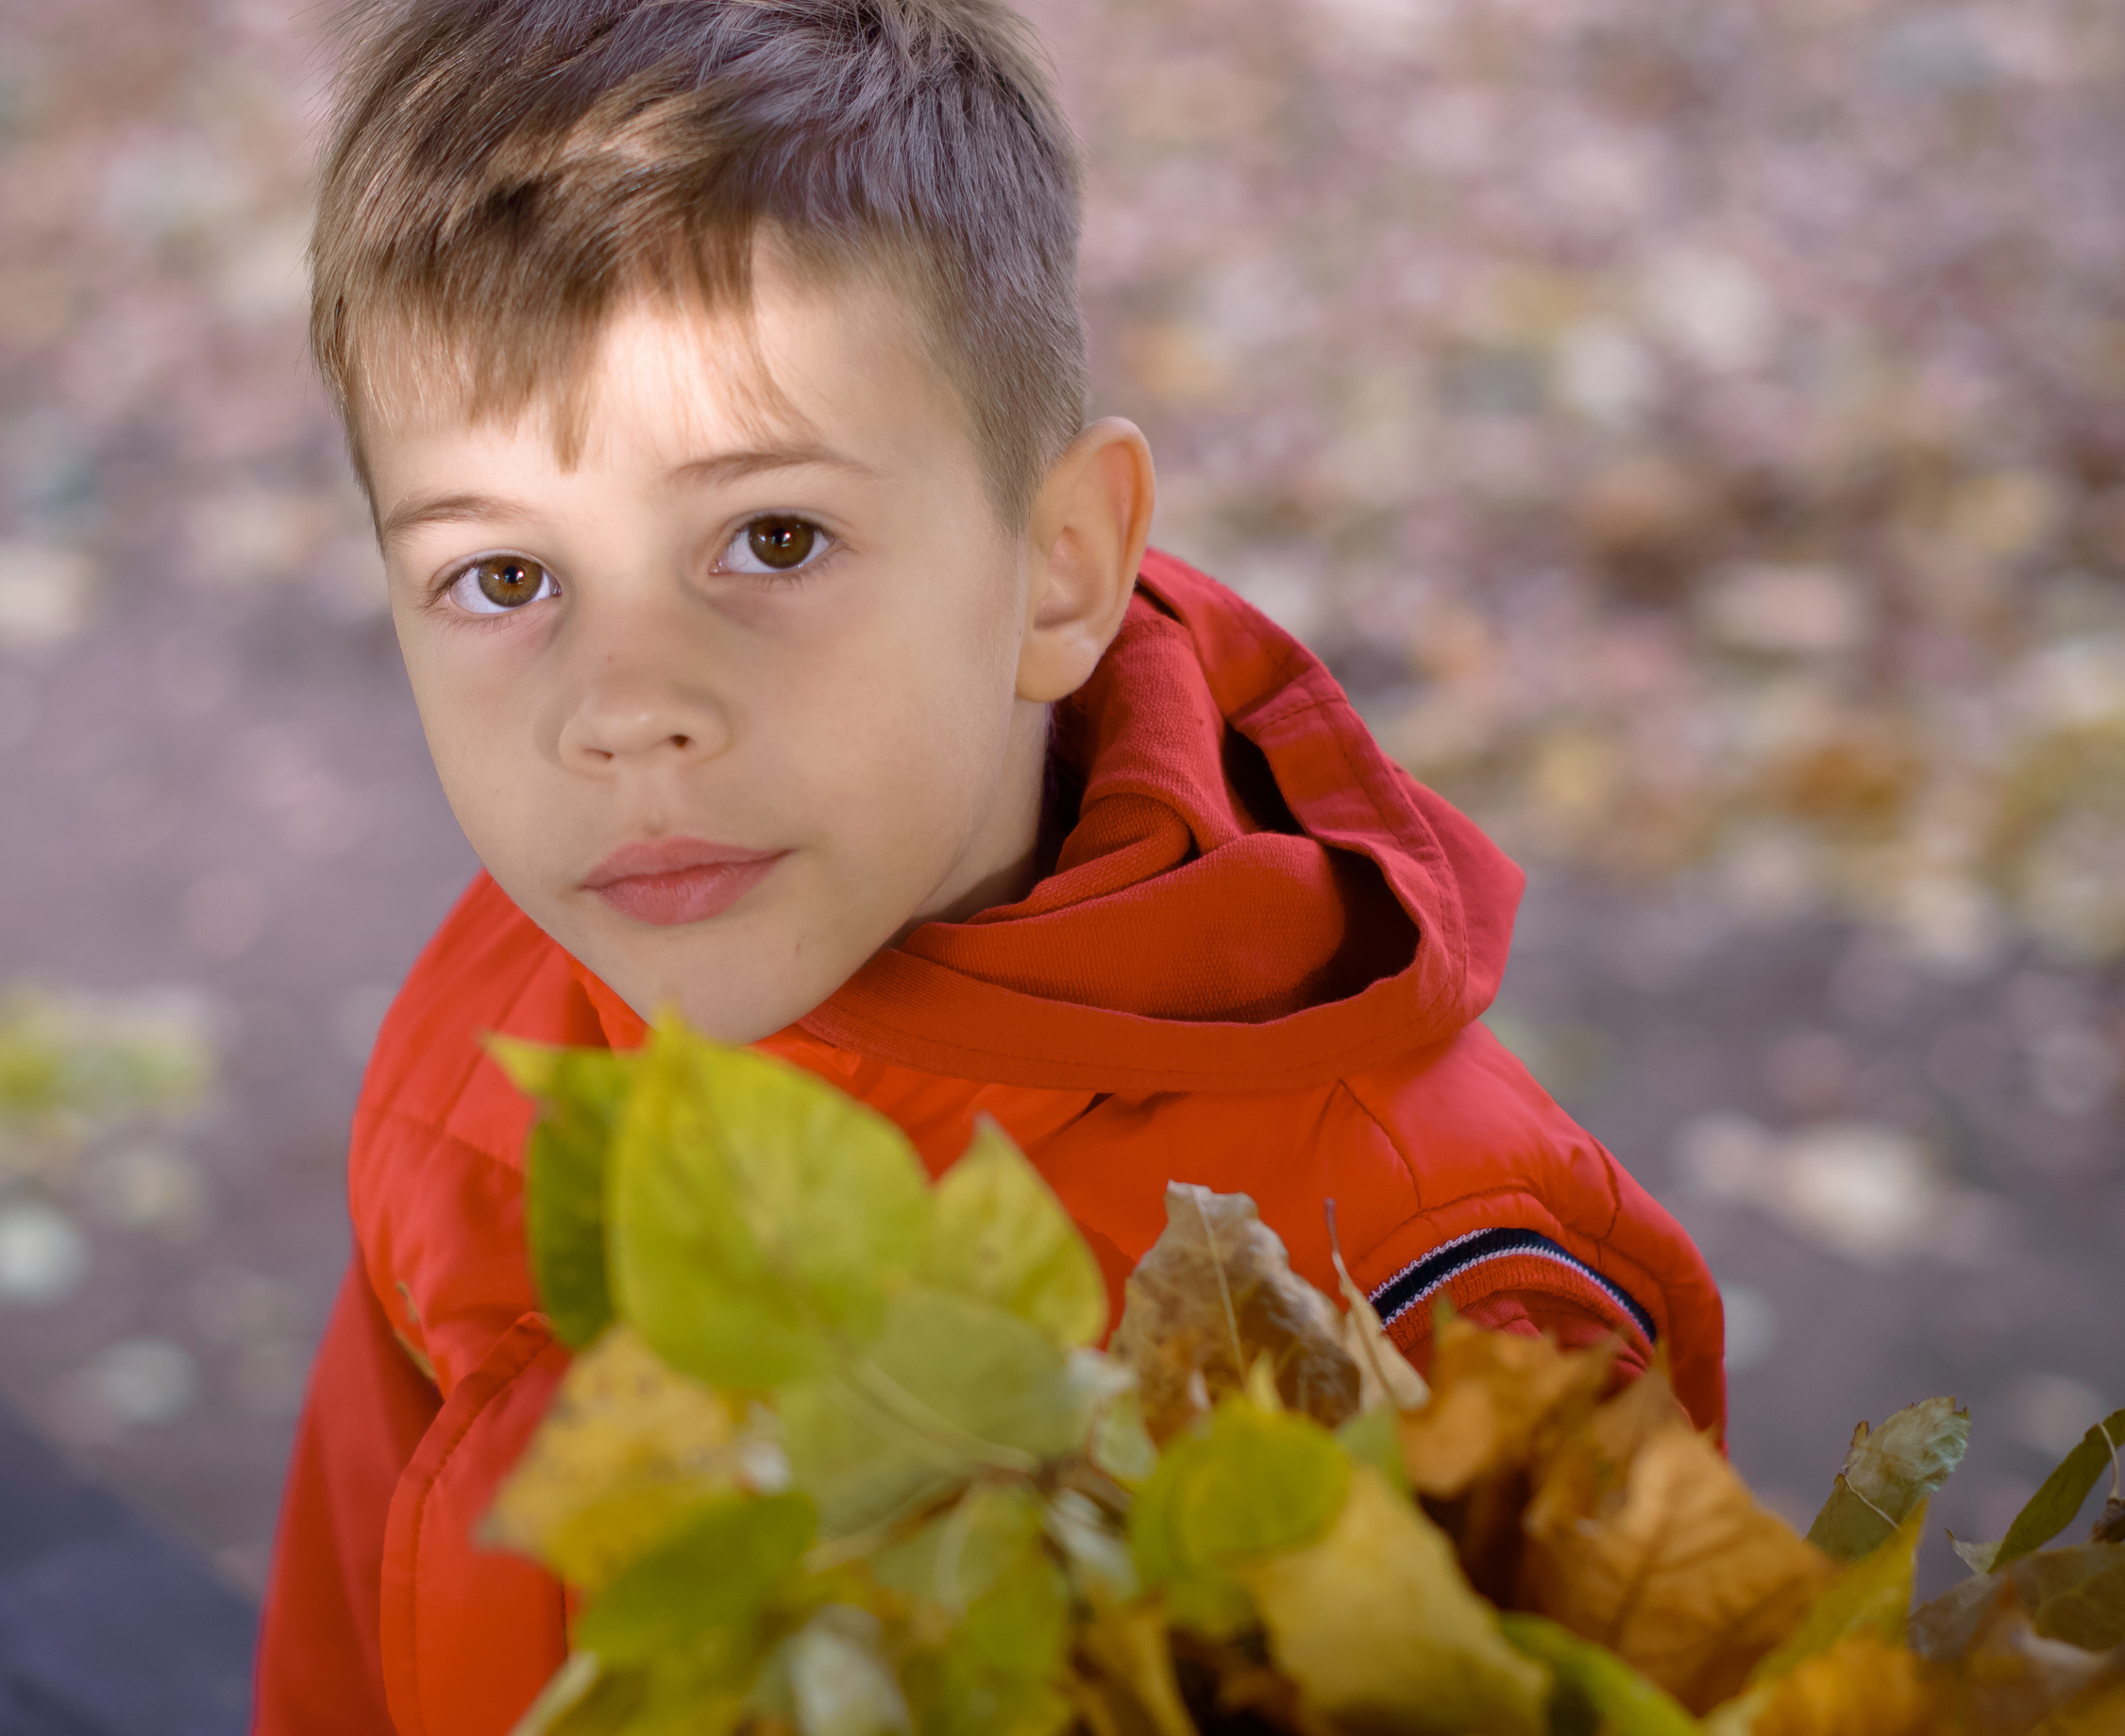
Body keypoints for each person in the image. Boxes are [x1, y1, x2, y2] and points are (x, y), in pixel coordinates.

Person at [255, 1, 1726, 1729]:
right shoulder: (500, 1018)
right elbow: (354, 1635)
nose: (625, 711)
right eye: (504, 579)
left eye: (771, 538)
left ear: (1055, 568)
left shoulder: (1418, 1286)